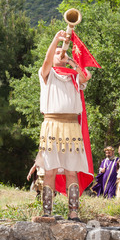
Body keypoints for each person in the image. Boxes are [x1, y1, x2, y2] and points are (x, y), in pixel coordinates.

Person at [38, 30, 94, 222]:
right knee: (50, 169)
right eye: (56, 53)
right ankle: (47, 212)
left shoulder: (73, 76)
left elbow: (86, 75)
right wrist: (56, 40)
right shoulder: (46, 73)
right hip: (51, 125)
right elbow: (46, 60)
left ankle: (74, 213)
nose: (59, 54)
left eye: (61, 53)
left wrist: (70, 60)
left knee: (71, 171)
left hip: (71, 126)